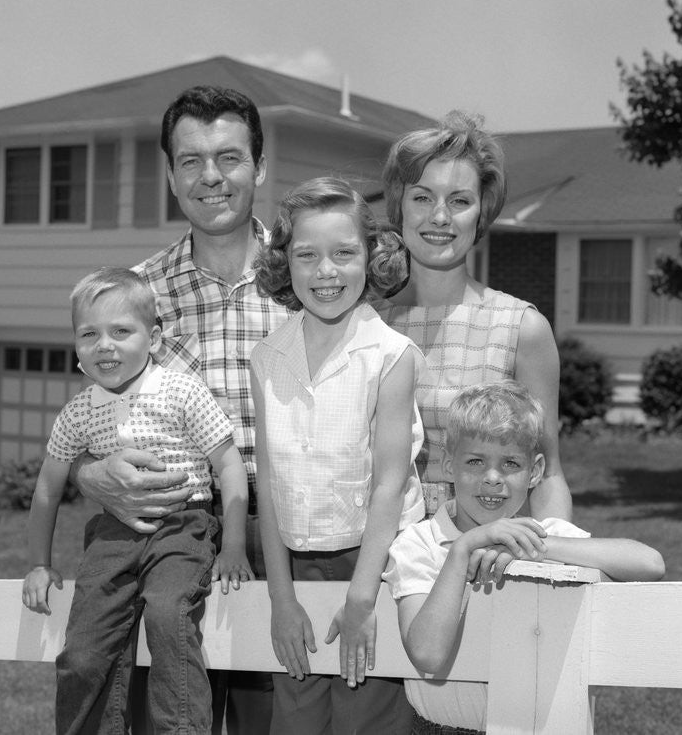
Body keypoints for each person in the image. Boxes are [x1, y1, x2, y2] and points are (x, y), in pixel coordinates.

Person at [71, 86, 289, 733]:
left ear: (260, 166)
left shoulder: (308, 279)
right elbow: (87, 424)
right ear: (169, 174)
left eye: (228, 157)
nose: (210, 177)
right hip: (167, 535)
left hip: (282, 537)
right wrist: (90, 473)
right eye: (190, 160)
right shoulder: (137, 296)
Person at [23, 267, 252, 735]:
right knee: (83, 648)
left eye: (120, 331)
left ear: (154, 338)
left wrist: (233, 545)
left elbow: (229, 467)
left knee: (169, 615)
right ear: (76, 346)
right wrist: (38, 563)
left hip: (182, 526)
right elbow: (48, 487)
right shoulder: (78, 412)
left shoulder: (182, 391)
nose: (104, 345)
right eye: (89, 334)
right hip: (112, 534)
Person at [383, 380, 665, 734]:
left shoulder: (543, 535)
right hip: (444, 728)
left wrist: (536, 548)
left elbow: (650, 564)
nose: (492, 478)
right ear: (448, 465)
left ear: (534, 472)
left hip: (545, 726)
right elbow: (427, 653)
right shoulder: (420, 543)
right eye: (475, 461)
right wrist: (462, 550)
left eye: (510, 464)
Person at [251, 177, 425, 734]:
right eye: (307, 255)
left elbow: (389, 486)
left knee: (366, 718)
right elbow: (270, 483)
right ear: (286, 262)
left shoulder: (391, 355)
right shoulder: (266, 358)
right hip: (294, 566)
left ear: (372, 258)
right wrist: (281, 599)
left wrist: (361, 599)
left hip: (371, 564)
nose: (326, 272)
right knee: (297, 718)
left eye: (344, 253)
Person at [378, 111, 573, 524]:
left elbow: (548, 473)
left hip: (487, 552)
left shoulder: (522, 328)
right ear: (399, 205)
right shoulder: (367, 323)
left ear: (481, 213)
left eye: (460, 200)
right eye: (422, 197)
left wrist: (555, 557)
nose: (440, 216)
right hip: (377, 548)